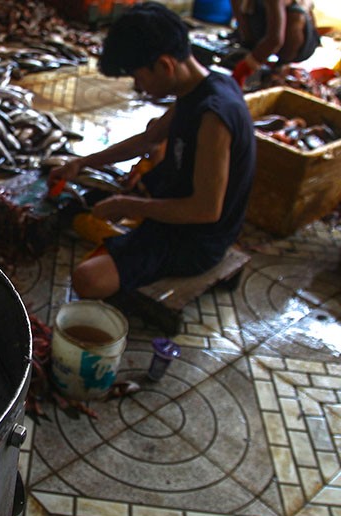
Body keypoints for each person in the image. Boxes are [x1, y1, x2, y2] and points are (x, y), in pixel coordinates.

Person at [49, 1, 256, 300]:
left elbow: (205, 211)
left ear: (164, 65)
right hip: (176, 199)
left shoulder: (213, 116)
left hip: (198, 238)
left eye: (139, 77)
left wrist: (129, 205)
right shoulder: (198, 87)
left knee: (88, 279)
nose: (139, 87)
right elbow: (149, 140)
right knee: (90, 195)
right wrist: (81, 163)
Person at [230, 0, 320, 87]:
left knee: (294, 18)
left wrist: (245, 68)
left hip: (300, 45)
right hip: (268, 28)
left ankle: (281, 65)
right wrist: (249, 52)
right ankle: (263, 58)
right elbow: (245, 31)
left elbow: (275, 40)